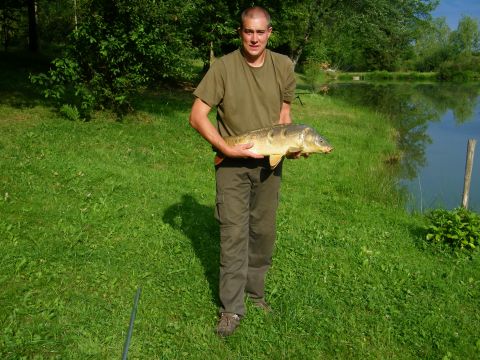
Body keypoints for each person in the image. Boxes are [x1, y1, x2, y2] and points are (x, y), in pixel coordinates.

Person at [189, 6, 296, 337]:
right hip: (232, 166)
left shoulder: (283, 66)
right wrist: (225, 147)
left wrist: (291, 146)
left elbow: (284, 115)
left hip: (268, 166)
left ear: (269, 33)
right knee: (234, 234)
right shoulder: (222, 68)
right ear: (240, 33)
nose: (254, 38)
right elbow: (197, 116)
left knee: (262, 233)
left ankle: (255, 293)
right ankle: (232, 309)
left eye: (260, 32)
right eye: (248, 31)